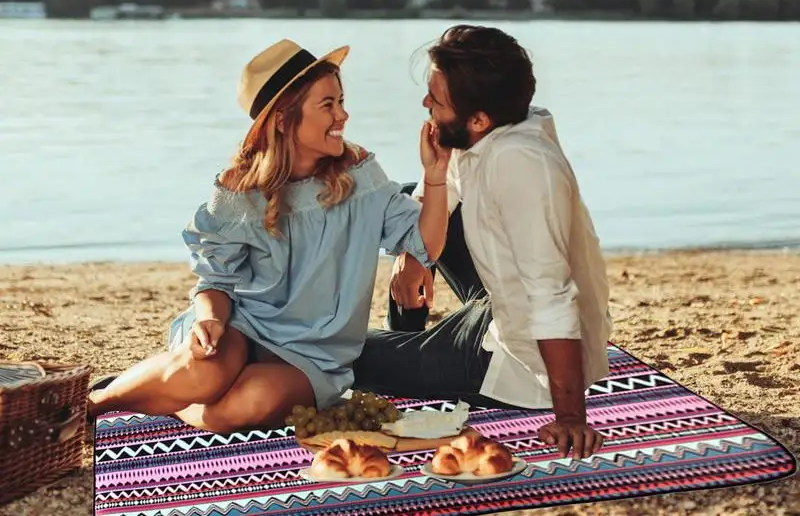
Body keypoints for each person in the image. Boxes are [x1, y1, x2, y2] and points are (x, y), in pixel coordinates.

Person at [88, 38, 451, 432]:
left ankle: (171, 401)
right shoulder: (239, 190)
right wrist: (209, 320)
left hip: (314, 356)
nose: (343, 115)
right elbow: (215, 282)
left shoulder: (359, 175)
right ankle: (95, 402)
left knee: (243, 405)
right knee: (203, 376)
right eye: (328, 105)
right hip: (243, 327)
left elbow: (425, 244)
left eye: (341, 101)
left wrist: (435, 176)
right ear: (282, 119)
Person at [353, 25, 612, 460]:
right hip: (501, 303)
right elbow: (448, 189)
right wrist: (413, 256)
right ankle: (408, 335)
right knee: (415, 198)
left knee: (349, 355)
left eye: (436, 100)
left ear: (478, 120)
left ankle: (409, 354)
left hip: (517, 363)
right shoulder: (493, 128)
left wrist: (570, 416)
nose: (425, 104)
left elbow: (550, 295)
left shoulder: (520, 165)